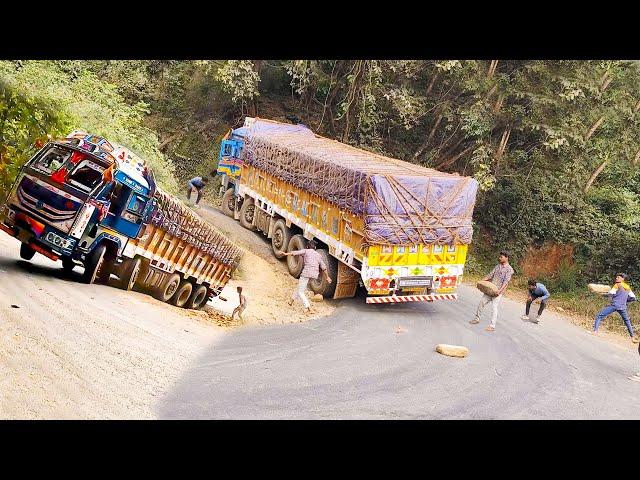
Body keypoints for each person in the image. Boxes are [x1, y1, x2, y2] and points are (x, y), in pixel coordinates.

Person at [470, 250, 514, 332]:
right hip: (490, 289)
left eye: (501, 257)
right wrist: (481, 281)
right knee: (481, 303)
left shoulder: (509, 269)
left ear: (506, 258)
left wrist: (499, 291)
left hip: (497, 292)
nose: (499, 258)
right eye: (500, 256)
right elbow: (490, 275)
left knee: (494, 308)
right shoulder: (497, 266)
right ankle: (477, 318)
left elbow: (506, 282)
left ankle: (492, 326)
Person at [284, 239, 332, 313]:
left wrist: (285, 254)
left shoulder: (306, 251)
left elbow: (296, 253)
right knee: (300, 287)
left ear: (307, 246)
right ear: (315, 248)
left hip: (306, 273)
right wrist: (327, 277)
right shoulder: (318, 255)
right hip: (314, 275)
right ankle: (291, 301)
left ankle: (308, 307)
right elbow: (324, 267)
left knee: (301, 292)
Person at [591, 273, 638, 342]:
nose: (616, 278)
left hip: (614, 305)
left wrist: (601, 294)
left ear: (622, 279)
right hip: (622, 307)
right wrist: (625, 301)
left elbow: (610, 294)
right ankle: (632, 337)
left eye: (618, 277)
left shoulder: (617, 285)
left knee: (599, 316)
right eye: (616, 277)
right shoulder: (628, 287)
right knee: (627, 321)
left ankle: (595, 331)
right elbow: (634, 298)